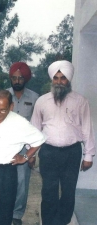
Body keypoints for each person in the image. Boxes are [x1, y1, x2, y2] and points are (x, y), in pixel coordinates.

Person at [31, 60, 96, 225]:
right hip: (48, 152)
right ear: (52, 79)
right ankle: (48, 222)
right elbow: (34, 129)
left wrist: (89, 155)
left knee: (68, 192)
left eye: (63, 78)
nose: (59, 82)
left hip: (71, 153)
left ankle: (63, 221)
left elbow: (87, 128)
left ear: (69, 80)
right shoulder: (42, 101)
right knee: (48, 191)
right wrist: (30, 153)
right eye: (56, 78)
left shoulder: (80, 101)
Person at [0, 90, 45, 225]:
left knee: (2, 215)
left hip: (4, 174)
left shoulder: (20, 123)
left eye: (2, 110)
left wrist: (25, 157)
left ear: (11, 107)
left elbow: (39, 139)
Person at [7, 62, 39, 225]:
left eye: (20, 78)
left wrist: (32, 155)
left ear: (25, 79)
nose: (17, 81)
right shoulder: (4, 95)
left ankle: (17, 215)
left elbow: (37, 127)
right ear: (11, 78)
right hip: (5, 145)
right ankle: (4, 213)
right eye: (14, 78)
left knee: (21, 183)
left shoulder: (34, 98)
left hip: (25, 147)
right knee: (4, 180)